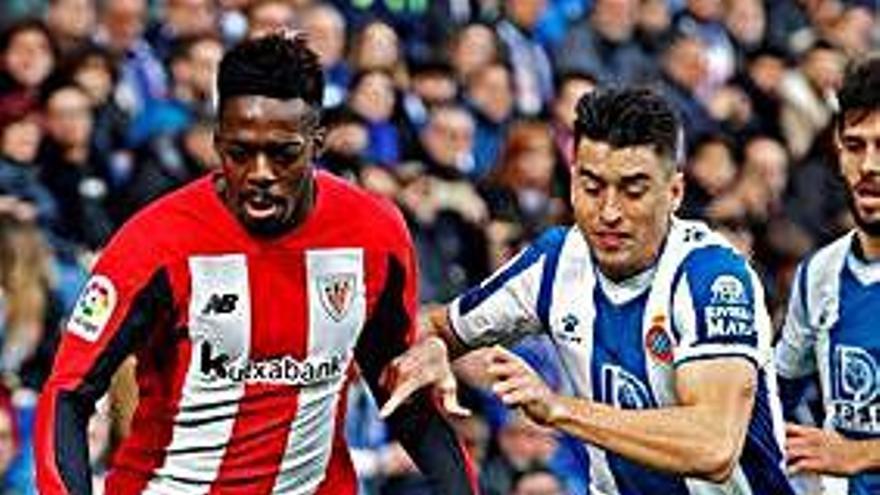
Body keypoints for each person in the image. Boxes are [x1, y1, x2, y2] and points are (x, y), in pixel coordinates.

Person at [34, 33, 476, 495]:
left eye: (283, 153)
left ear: (317, 143)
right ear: (218, 140)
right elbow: (68, 393)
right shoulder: (155, 242)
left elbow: (403, 395)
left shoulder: (373, 233)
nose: (260, 173)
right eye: (240, 153)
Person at [381, 87, 796, 493]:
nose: (609, 212)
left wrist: (560, 408)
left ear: (674, 193)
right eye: (592, 187)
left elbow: (713, 446)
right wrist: (434, 347)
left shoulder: (713, 277)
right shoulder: (556, 261)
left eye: (633, 190)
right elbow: (438, 325)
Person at [775, 55, 880, 494]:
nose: (870, 166)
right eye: (855, 146)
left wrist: (862, 454)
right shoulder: (820, 274)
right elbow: (775, 394)